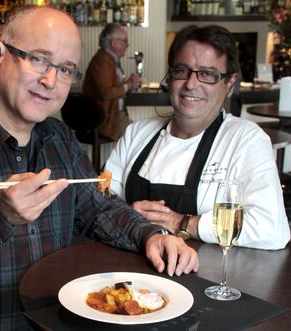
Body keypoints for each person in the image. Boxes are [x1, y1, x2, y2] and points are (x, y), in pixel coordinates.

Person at [0, 7, 198, 330]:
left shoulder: (59, 139)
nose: (50, 80)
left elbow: (98, 210)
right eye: (37, 59)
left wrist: (151, 235)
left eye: (65, 69)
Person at [105, 24, 290, 251]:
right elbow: (100, 203)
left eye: (207, 74)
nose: (191, 84)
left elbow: (272, 229)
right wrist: (128, 214)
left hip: (204, 280)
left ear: (229, 84)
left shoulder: (246, 140)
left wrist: (184, 223)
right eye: (181, 70)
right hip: (131, 282)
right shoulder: (137, 134)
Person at [83, 22, 141, 140]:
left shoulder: (108, 59)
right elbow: (105, 93)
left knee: (140, 130)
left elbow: (112, 87)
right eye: (125, 41)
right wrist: (129, 85)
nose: (128, 45)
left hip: (110, 117)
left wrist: (127, 83)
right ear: (114, 43)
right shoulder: (102, 61)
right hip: (104, 121)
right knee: (139, 134)